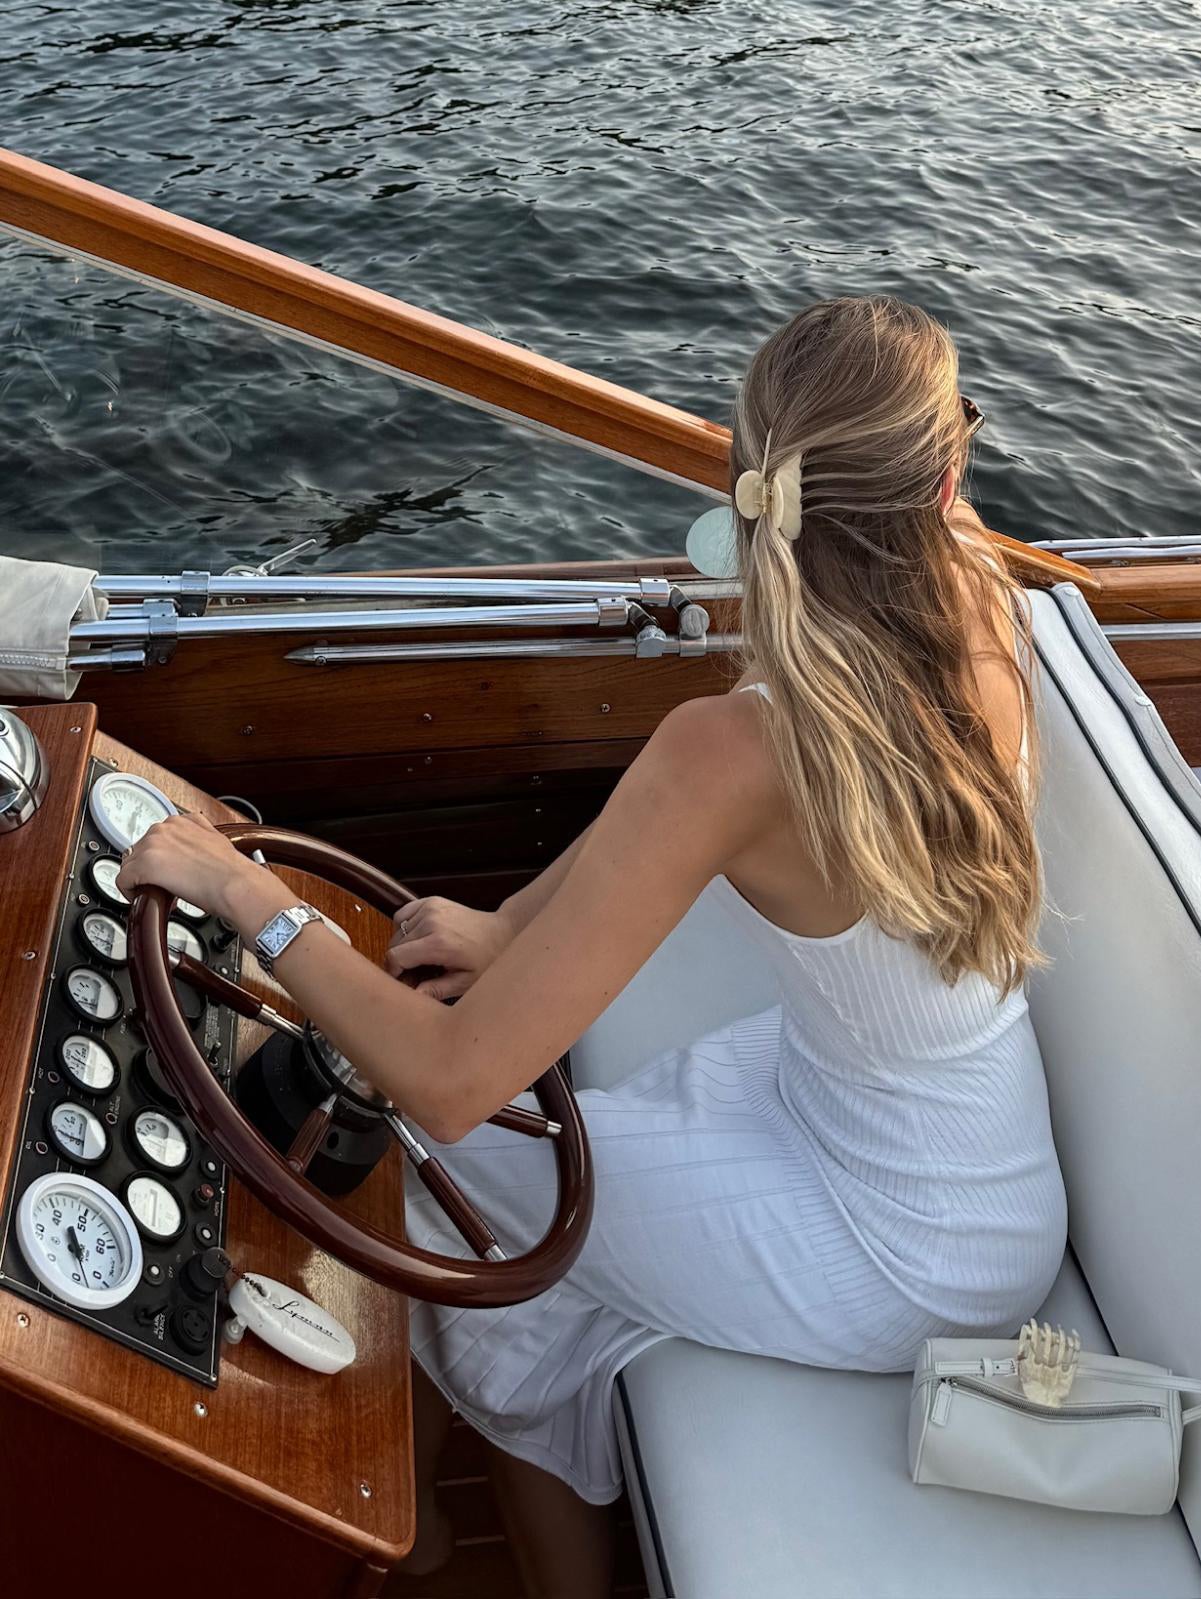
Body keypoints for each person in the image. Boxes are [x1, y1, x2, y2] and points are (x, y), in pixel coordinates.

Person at [120, 296, 1069, 1597]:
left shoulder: (739, 747)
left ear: (744, 473)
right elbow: (658, 824)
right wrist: (510, 929)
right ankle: (496, 1549)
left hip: (886, 1240)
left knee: (431, 1143)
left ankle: (439, 1528)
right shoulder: (980, 600)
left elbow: (449, 1083)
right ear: (948, 478)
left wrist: (239, 890)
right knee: (540, 1258)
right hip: (953, 1160)